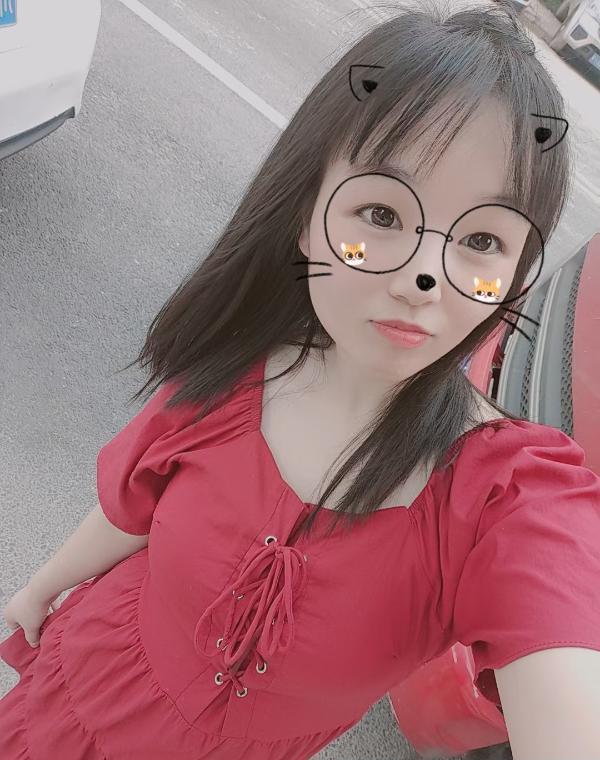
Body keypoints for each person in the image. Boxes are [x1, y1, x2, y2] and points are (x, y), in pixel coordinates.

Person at [2, 1, 600, 758]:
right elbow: (136, 504)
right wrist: (42, 585)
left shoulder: (507, 497)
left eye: (482, 238)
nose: (422, 278)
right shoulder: (238, 369)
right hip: (74, 696)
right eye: (381, 214)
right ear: (308, 214)